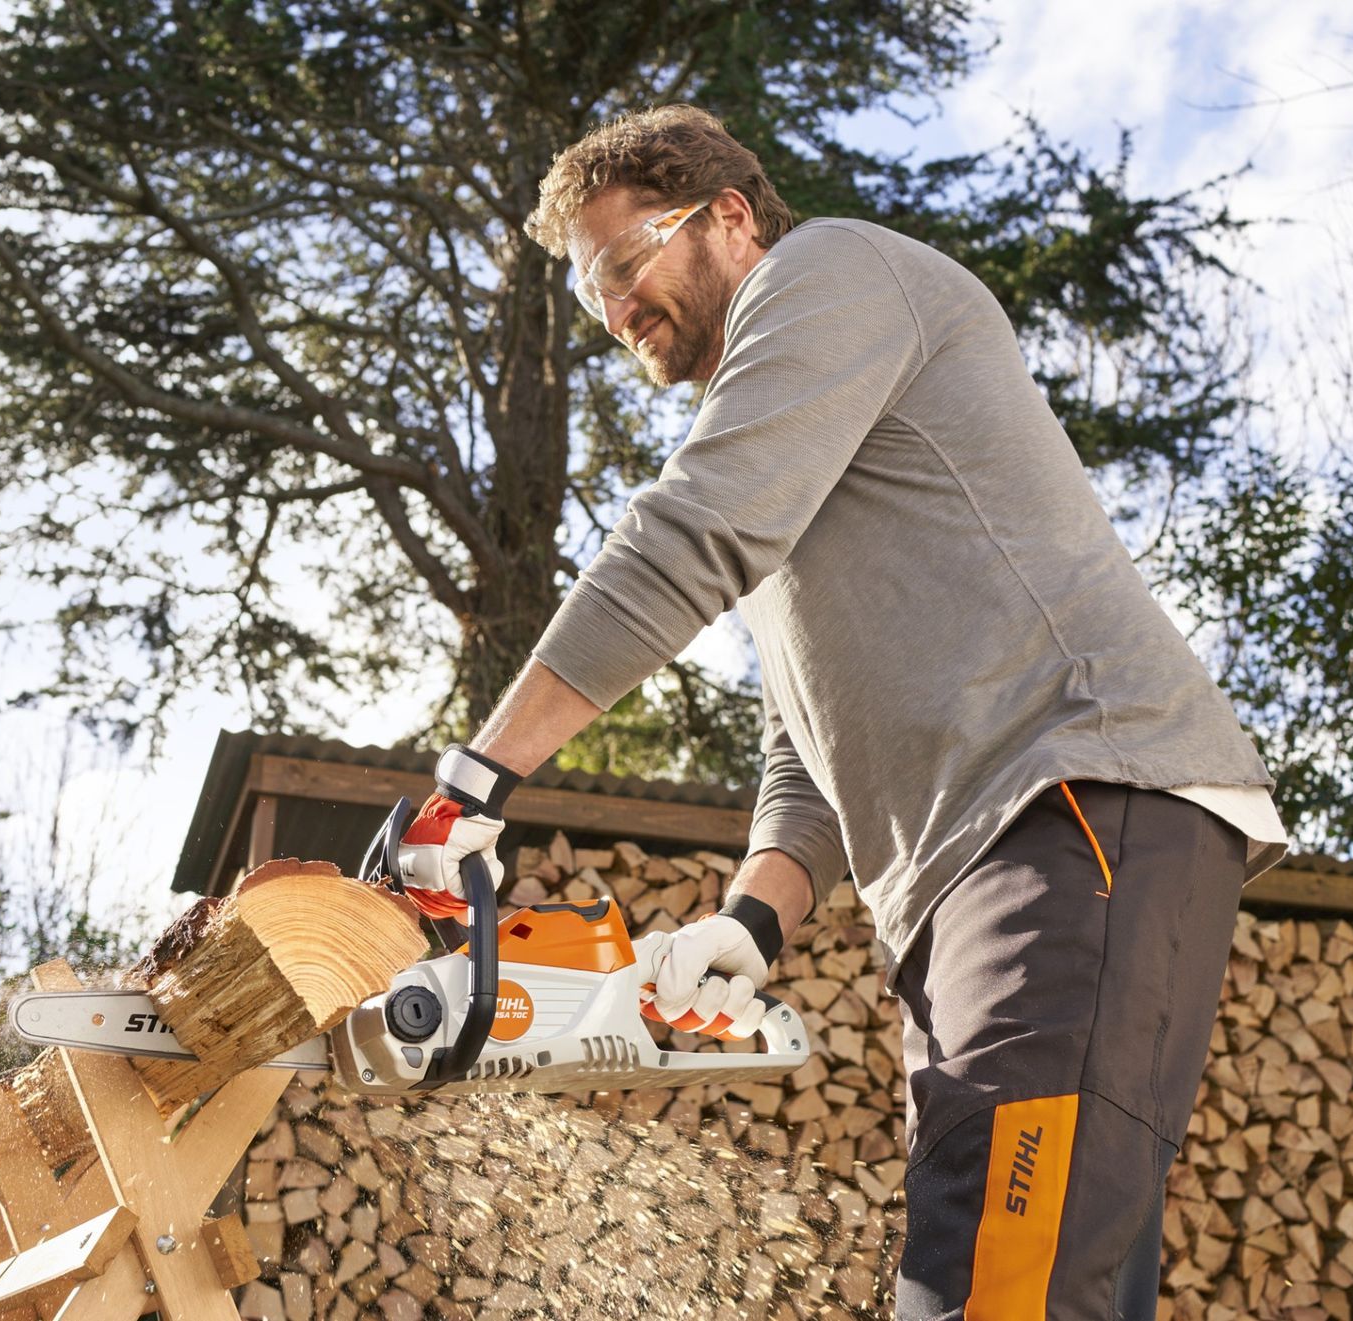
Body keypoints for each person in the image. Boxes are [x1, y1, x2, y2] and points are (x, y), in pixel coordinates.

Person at [396, 104, 1287, 1320]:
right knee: (1036, 1280)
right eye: (592, 296)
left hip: (1070, 805)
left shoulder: (833, 273)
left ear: (726, 217)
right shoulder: (793, 429)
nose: (613, 312)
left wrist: (477, 783)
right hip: (976, 875)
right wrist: (753, 922)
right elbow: (806, 744)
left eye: (621, 266)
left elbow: (690, 533)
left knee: (991, 1288)